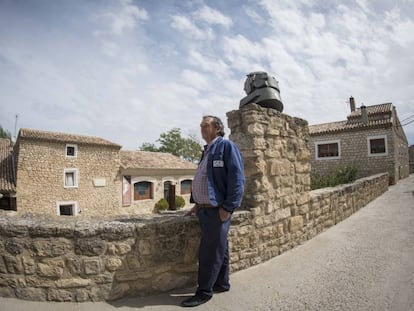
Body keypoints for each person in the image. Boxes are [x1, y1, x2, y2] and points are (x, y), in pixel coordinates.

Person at [182, 115, 245, 307]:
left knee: (209, 252)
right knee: (220, 248)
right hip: (205, 210)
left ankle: (204, 292)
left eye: (205, 126)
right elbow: (206, 180)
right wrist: (197, 205)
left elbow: (237, 179)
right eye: (201, 126)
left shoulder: (226, 147)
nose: (202, 129)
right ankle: (221, 283)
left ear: (217, 128)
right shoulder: (207, 150)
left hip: (218, 211)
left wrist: (228, 208)